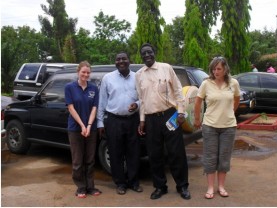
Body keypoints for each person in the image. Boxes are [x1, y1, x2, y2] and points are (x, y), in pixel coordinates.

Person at [135, 43, 191, 200]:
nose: (147, 55)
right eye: (144, 53)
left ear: (154, 52)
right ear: (141, 56)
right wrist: (142, 120)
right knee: (155, 154)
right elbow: (141, 99)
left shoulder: (166, 68)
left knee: (176, 152)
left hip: (170, 116)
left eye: (149, 52)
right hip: (151, 119)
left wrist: (181, 112)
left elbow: (179, 91)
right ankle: (160, 187)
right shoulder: (138, 75)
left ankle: (182, 185)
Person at [193, 57, 240, 199]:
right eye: (213, 69)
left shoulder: (234, 83)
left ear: (225, 69)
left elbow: (237, 98)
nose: (216, 71)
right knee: (210, 157)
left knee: (224, 158)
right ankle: (210, 188)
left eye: (219, 68)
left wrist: (231, 111)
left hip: (229, 127)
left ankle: (221, 187)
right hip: (210, 126)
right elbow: (197, 101)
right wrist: (197, 119)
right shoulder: (206, 84)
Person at [97, 52, 142, 195]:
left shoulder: (137, 77)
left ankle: (134, 182)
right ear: (115, 62)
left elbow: (143, 98)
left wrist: (137, 104)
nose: (121, 61)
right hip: (113, 120)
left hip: (132, 120)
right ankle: (120, 183)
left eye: (124, 59)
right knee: (116, 153)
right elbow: (102, 101)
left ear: (130, 61)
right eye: (118, 59)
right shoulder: (107, 78)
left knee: (133, 153)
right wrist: (100, 123)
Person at [65, 61, 101, 198]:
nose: (86, 75)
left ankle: (90, 187)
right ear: (78, 72)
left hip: (90, 129)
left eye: (88, 72)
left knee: (90, 159)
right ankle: (80, 187)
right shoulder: (70, 87)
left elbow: (94, 108)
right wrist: (82, 125)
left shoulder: (93, 88)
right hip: (75, 129)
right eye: (83, 72)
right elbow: (71, 108)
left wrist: (89, 126)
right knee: (77, 160)